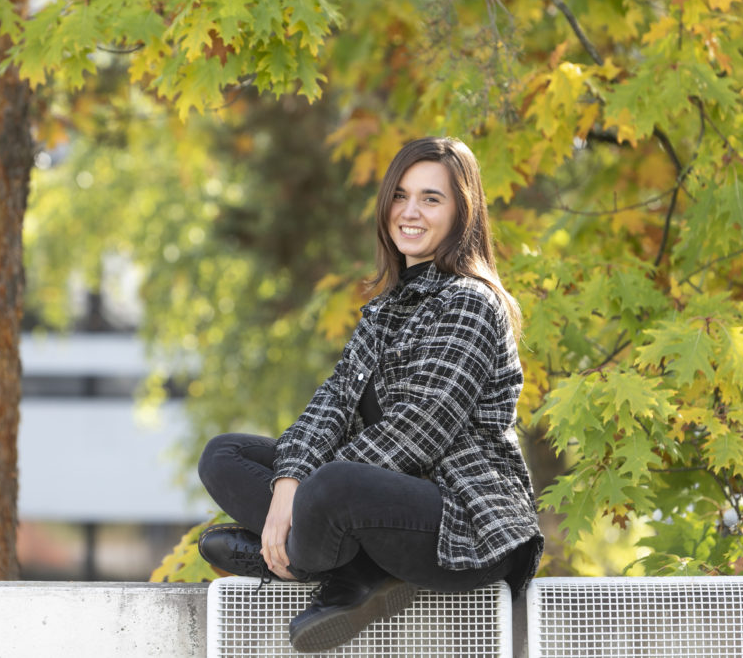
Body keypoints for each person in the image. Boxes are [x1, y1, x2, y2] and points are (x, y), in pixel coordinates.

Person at [197, 136, 543, 653]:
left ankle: (299, 560)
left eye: (431, 198)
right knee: (225, 455)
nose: (410, 212)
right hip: (382, 511)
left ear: (462, 212)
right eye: (400, 195)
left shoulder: (471, 301)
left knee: (334, 484)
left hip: (465, 521)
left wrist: (312, 491)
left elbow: (419, 428)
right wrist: (290, 481)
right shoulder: (386, 309)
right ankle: (356, 573)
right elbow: (332, 403)